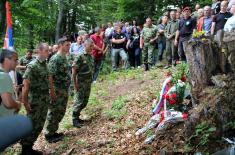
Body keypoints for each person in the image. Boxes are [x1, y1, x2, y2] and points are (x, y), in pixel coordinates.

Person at [21, 43, 55, 155]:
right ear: (39, 51)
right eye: (46, 51)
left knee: (39, 124)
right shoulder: (32, 65)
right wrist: (25, 103)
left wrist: (52, 93)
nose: (48, 53)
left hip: (44, 101)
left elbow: (49, 78)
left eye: (49, 51)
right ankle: (25, 149)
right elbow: (25, 85)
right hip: (35, 101)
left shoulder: (45, 64)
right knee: (31, 124)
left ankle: (29, 147)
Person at [44, 37, 71, 143]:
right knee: (54, 111)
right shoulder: (55, 59)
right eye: (67, 45)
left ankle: (53, 131)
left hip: (64, 89)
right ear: (60, 46)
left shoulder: (65, 57)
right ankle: (49, 134)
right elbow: (49, 76)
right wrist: (52, 92)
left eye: (69, 45)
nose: (69, 47)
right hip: (57, 90)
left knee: (61, 111)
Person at [72, 39, 94, 128]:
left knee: (85, 101)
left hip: (88, 82)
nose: (92, 47)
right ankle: (74, 119)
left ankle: (77, 116)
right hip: (81, 83)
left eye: (93, 46)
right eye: (90, 46)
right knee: (79, 101)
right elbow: (74, 72)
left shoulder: (90, 56)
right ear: (85, 45)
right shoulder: (80, 56)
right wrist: (75, 85)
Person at [0, 49, 21, 117]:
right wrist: (17, 105)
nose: (17, 63)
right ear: (6, 60)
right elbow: (8, 103)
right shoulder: (4, 76)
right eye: (15, 60)